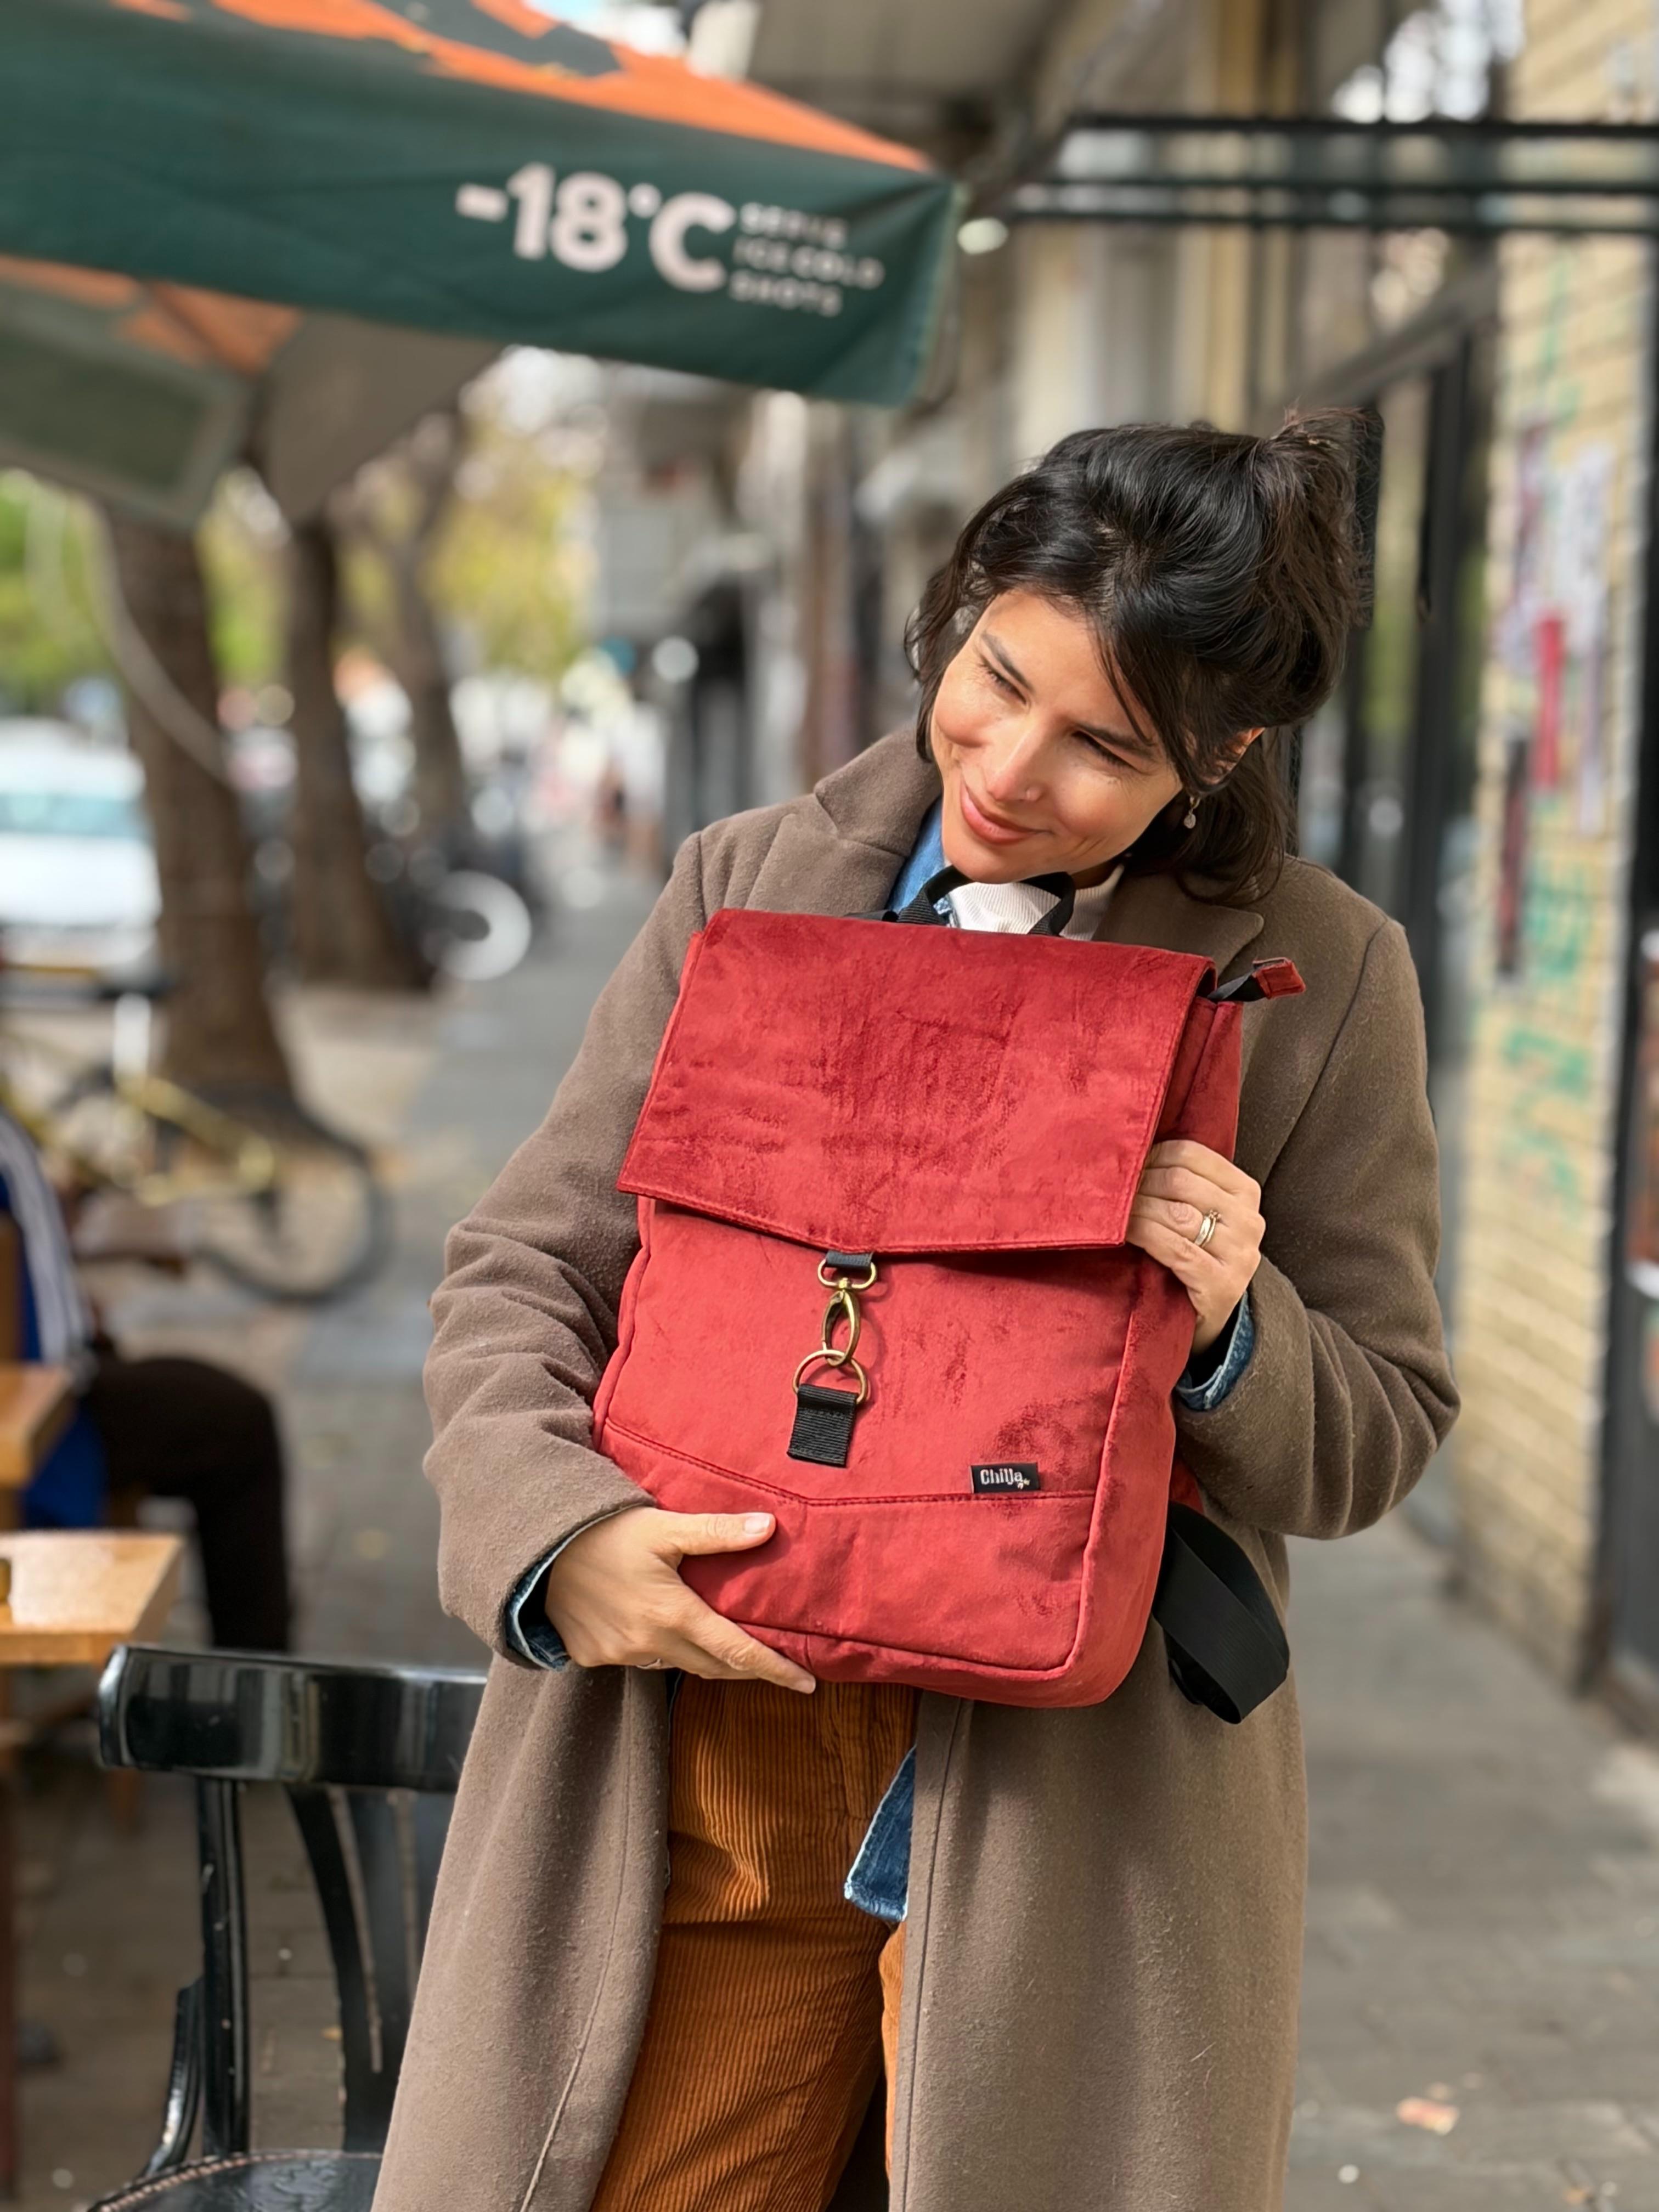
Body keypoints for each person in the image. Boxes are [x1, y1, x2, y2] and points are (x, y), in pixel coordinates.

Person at [377, 415, 1458, 2212]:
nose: (1011, 769)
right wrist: (555, 1536)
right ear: (956, 617)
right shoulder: (748, 882)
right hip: (702, 1728)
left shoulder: (1320, 975)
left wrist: (1228, 1318)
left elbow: (1385, 1422)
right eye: (995, 679)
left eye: (1103, 746)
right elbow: (526, 1267)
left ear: (1224, 751)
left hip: (1072, 1801)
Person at [0, 1108, 291, 1650]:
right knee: (238, 1423)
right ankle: (259, 1680)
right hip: (38, 1426)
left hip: (44, 1384)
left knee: (218, 1409)